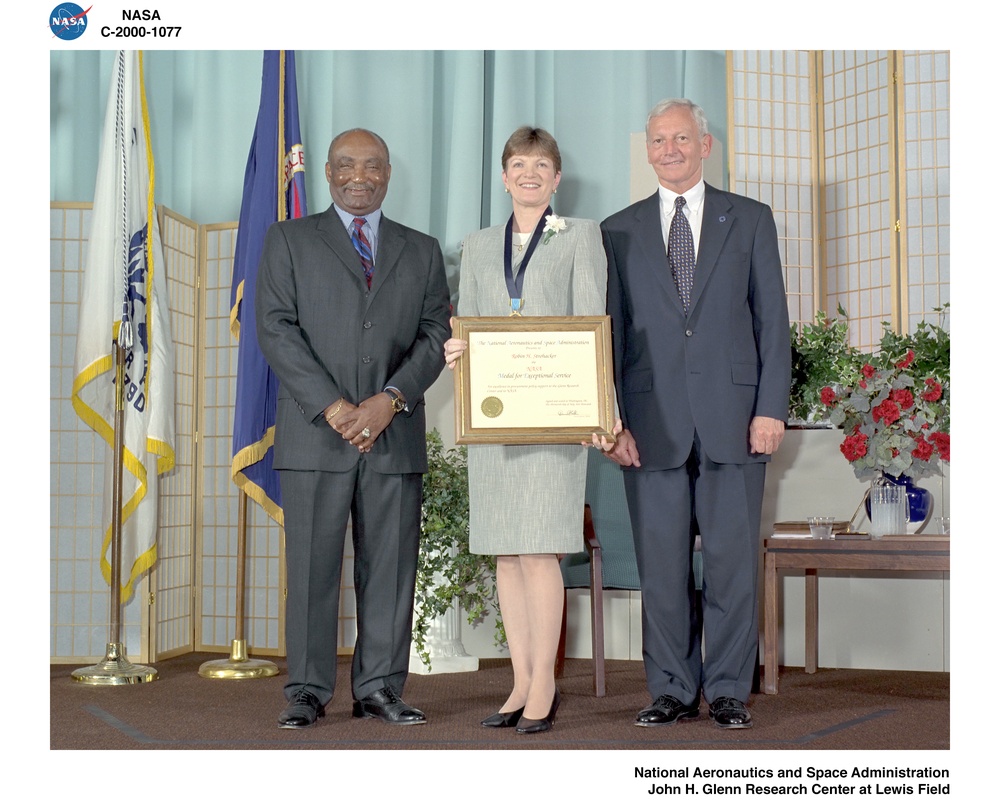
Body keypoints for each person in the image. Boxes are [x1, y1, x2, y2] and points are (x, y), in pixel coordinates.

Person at [599, 99, 791, 729]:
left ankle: (731, 688)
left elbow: (773, 323)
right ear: (648, 150)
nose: (671, 149)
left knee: (733, 564)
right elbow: (611, 336)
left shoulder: (751, 219)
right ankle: (673, 690)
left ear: (706, 145)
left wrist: (771, 410)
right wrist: (613, 421)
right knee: (661, 566)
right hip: (649, 426)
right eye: (659, 140)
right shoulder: (617, 229)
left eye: (682, 137)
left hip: (737, 420)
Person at [256, 128, 450, 729]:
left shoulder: (421, 249)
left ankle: (381, 687)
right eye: (345, 165)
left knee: (390, 570)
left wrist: (389, 401)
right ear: (328, 173)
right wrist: (337, 409)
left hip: (392, 434)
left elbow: (437, 333)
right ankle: (307, 691)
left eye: (370, 166)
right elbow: (275, 328)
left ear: (388, 173)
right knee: (312, 569)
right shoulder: (288, 239)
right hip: (317, 435)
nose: (358, 176)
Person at [444, 126, 607, 734]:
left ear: (557, 177)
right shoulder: (478, 244)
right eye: (518, 163)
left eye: (541, 164)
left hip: (556, 419)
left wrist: (599, 412)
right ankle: (518, 679)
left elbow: (594, 322)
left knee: (539, 552)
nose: (530, 173)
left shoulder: (580, 237)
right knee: (506, 555)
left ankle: (545, 684)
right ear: (505, 175)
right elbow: (469, 321)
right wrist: (457, 347)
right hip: (495, 420)